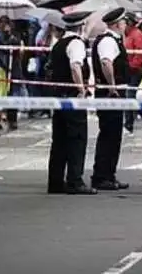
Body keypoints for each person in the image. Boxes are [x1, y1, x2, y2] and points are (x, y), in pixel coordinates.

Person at [46, 11, 96, 195]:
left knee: (59, 141)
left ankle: (55, 182)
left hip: (59, 98)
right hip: (73, 97)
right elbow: (75, 66)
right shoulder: (76, 43)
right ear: (81, 26)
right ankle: (75, 181)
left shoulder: (58, 44)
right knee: (76, 139)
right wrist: (82, 89)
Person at [91, 7, 130, 191]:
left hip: (110, 93)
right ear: (116, 24)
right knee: (109, 136)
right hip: (110, 94)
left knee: (113, 136)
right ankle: (102, 176)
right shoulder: (108, 41)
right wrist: (112, 85)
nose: (125, 25)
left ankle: (108, 175)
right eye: (123, 22)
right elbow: (106, 62)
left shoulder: (111, 39)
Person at [123, 13, 142, 134]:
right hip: (130, 70)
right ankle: (132, 124)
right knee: (129, 96)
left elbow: (140, 54)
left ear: (129, 23)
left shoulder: (136, 35)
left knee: (129, 96)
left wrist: (131, 66)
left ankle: (141, 121)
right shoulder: (127, 35)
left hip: (136, 71)